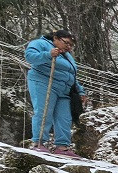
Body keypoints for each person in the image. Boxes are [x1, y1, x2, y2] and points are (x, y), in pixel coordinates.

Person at [25, 29, 87, 157]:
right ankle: (39, 143)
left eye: (71, 45)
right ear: (56, 38)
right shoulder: (40, 43)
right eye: (66, 43)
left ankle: (62, 146)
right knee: (44, 111)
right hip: (44, 82)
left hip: (64, 89)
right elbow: (29, 57)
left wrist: (80, 90)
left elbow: (71, 74)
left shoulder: (67, 55)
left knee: (64, 117)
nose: (68, 47)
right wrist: (48, 55)